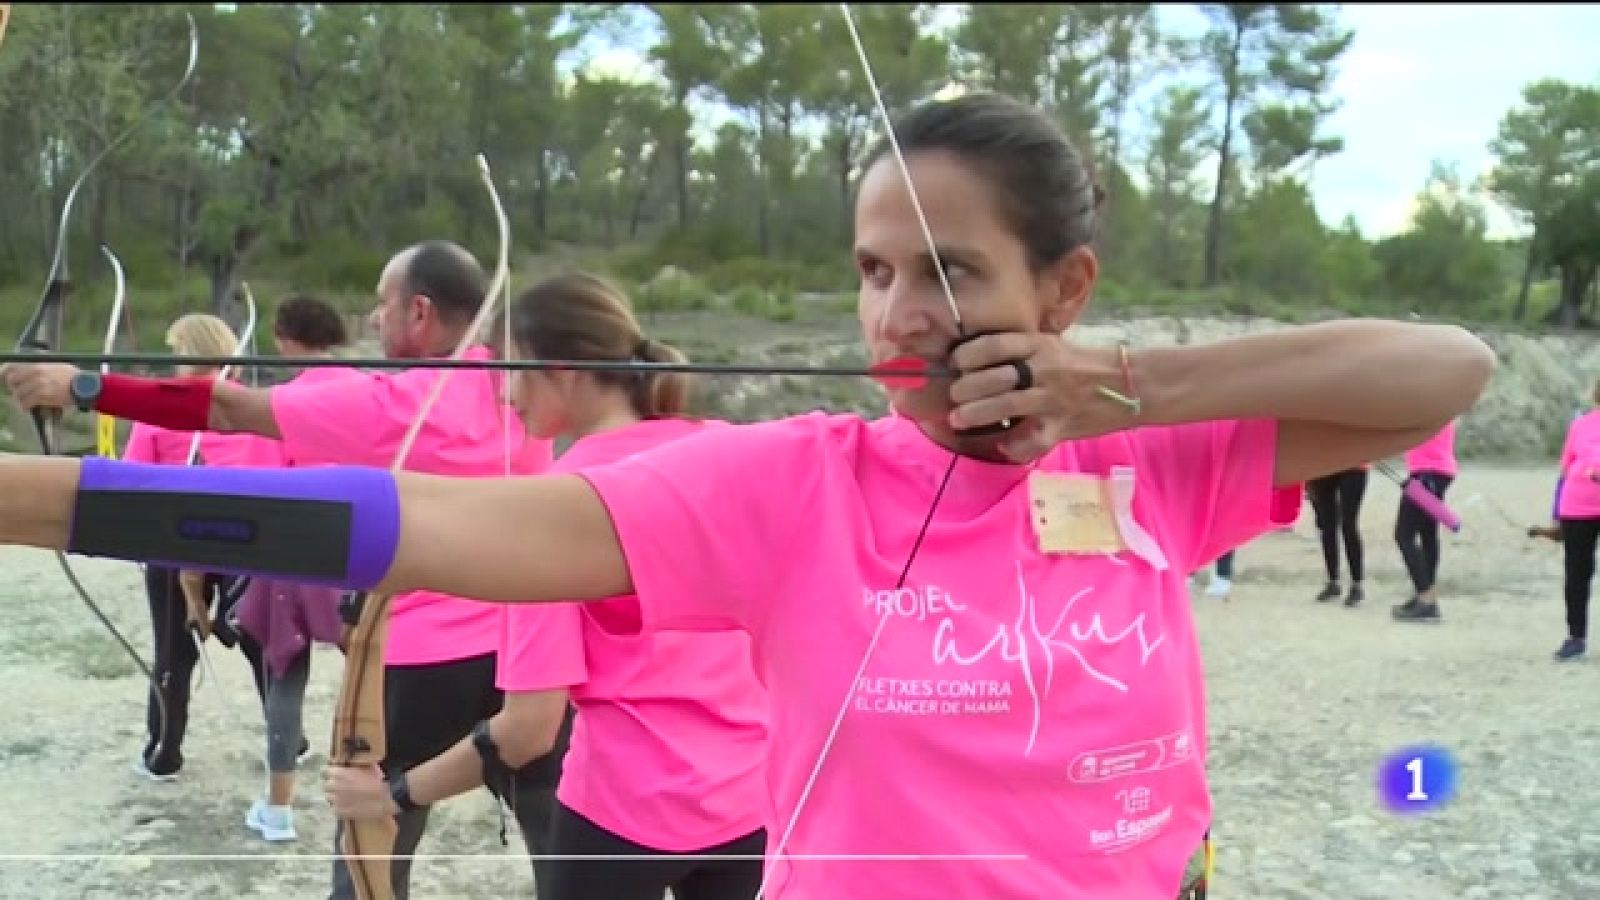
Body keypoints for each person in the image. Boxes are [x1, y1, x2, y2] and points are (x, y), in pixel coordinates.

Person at [0, 91, 1496, 899]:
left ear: (1066, 284)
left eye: (951, 270)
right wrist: (45, 495)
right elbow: (410, 523)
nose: (898, 315)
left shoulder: (1154, 458)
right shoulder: (793, 482)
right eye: (871, 271)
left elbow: (1446, 366)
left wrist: (1132, 385)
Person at [3, 241, 567, 897]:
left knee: (369, 853)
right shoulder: (530, 389)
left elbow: (224, 408)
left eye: (383, 304)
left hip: (420, 663)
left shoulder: (396, 401)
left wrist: (84, 387)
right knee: (570, 856)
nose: (374, 318)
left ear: (420, 312)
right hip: (536, 657)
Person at [326, 272, 770, 900]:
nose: (504, 395)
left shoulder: (555, 506)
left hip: (623, 819)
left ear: (560, 368)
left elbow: (528, 728)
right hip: (755, 806)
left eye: (512, 369)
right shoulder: (737, 455)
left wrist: (392, 794)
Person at [229, 294, 360, 842]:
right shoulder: (369, 386)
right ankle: (374, 788)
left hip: (295, 555)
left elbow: (262, 490)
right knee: (371, 674)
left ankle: (280, 809)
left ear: (285, 338)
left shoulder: (283, 400)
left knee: (285, 675)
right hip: (362, 548)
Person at [122, 313, 269, 782]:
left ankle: (164, 751)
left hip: (177, 539)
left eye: (178, 353)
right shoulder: (251, 406)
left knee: (173, 652)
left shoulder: (162, 407)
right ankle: (287, 739)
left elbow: (133, 478)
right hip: (242, 542)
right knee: (264, 645)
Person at [1391, 419, 1458, 622]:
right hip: (1435, 470)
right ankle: (1427, 595)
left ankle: (1426, 599)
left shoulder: (1429, 402)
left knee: (1404, 535)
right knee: (1427, 534)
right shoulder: (1443, 399)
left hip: (1428, 471)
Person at [1552, 383, 1600, 661]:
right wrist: (1556, 512)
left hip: (1578, 501)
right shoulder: (1580, 425)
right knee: (1577, 574)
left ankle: (1575, 637)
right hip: (1577, 506)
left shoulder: (1580, 425)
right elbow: (1565, 468)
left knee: (1577, 575)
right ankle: (1576, 637)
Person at [1306, 466, 1367, 607]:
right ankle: (1333, 581)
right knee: (1327, 526)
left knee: (1349, 525)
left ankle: (1356, 584)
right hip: (1322, 464)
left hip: (1354, 464)